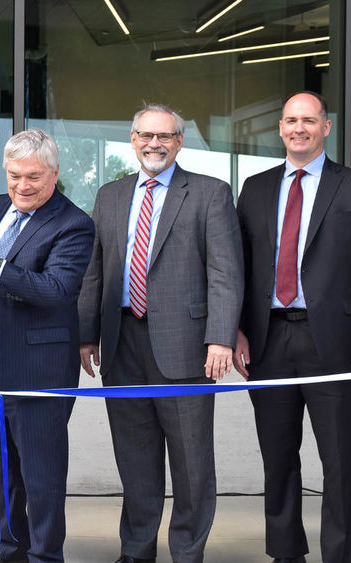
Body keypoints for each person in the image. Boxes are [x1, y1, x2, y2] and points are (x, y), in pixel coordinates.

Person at [78, 103, 244, 563]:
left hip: (187, 347)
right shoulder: (109, 195)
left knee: (191, 464)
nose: (154, 144)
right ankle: (136, 550)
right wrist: (87, 333)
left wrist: (221, 337)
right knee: (134, 459)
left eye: (164, 136)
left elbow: (226, 273)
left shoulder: (210, 193)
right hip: (121, 344)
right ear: (132, 139)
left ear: (179, 141)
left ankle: (187, 552)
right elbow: (97, 271)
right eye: (146, 135)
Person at [233, 91, 351, 563]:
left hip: (338, 342)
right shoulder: (256, 188)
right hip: (268, 341)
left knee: (340, 461)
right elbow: (239, 268)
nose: (298, 128)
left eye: (308, 120)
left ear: (326, 127)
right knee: (278, 458)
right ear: (280, 129)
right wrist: (236, 330)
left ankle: (341, 556)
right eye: (290, 120)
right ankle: (286, 553)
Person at [0, 128, 94, 563]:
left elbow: (56, 289)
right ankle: (8, 550)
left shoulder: (74, 224)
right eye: (14, 176)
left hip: (39, 369)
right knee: (1, 469)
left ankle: (46, 556)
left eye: (34, 177)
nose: (22, 186)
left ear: (55, 173)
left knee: (41, 476)